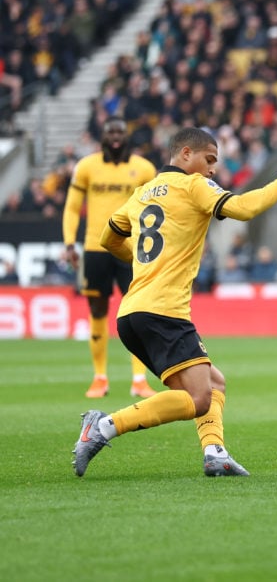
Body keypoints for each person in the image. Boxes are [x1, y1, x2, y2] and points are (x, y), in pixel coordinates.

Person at [72, 127, 277, 477]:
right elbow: (244, 208)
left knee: (214, 383)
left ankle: (215, 452)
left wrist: (142, 266)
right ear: (186, 154)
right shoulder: (193, 185)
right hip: (164, 311)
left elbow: (108, 237)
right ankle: (104, 426)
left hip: (131, 314)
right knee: (199, 398)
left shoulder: (141, 193)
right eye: (209, 159)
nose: (213, 169)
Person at [62, 116, 160, 399]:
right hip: (95, 247)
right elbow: (71, 208)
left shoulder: (143, 168)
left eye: (120, 131)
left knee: (139, 312)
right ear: (103, 137)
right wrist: (70, 243)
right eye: (110, 132)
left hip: (132, 249)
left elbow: (157, 208)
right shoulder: (87, 167)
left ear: (126, 136)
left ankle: (139, 380)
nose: (115, 136)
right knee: (97, 311)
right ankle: (100, 377)